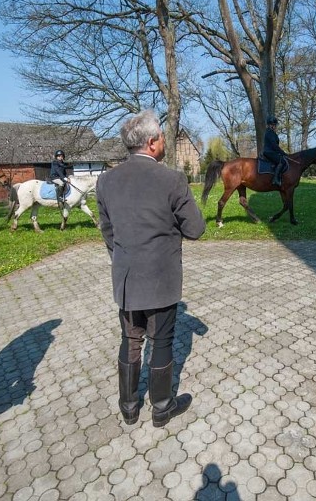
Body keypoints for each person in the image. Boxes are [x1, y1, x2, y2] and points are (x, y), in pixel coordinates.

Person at [96, 110, 206, 428]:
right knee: (161, 340)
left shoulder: (105, 181)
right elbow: (196, 228)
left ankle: (129, 407)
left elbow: (108, 232)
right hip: (161, 276)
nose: (163, 142)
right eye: (161, 137)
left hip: (127, 277)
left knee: (130, 340)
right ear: (152, 142)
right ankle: (161, 406)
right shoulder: (171, 179)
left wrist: (124, 259)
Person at [262, 116, 287, 186]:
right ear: (269, 125)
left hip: (271, 152)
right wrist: (282, 152)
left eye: (275, 125)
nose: (274, 126)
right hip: (269, 152)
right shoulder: (270, 133)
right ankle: (275, 179)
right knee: (282, 161)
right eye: (273, 125)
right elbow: (274, 145)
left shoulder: (272, 132)